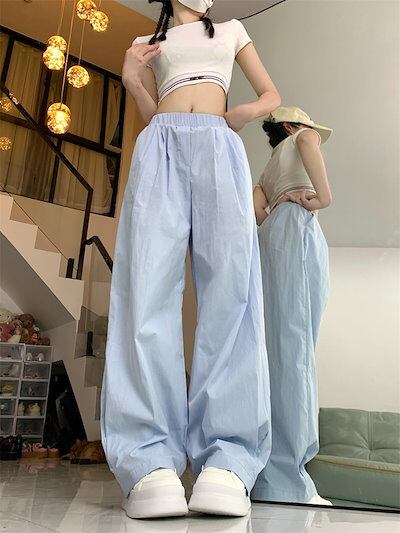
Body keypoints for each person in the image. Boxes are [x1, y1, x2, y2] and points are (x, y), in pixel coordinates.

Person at [101, 0, 281, 519]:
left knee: (232, 292)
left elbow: (271, 94)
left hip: (221, 147)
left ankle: (227, 458)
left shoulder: (230, 30)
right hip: (160, 143)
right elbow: (152, 112)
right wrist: (132, 80)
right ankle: (148, 460)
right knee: (145, 291)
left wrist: (243, 114)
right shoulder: (149, 43)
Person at [252, 106, 333, 506]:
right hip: (297, 229)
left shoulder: (267, 171)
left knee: (273, 353)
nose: (312, 133)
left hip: (271, 239)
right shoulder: (303, 137)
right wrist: (321, 199)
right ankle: (291, 480)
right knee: (297, 352)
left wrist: (277, 206)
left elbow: (256, 212)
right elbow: (311, 148)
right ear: (291, 126)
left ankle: (265, 474)